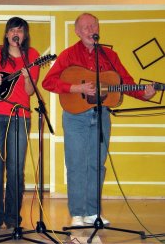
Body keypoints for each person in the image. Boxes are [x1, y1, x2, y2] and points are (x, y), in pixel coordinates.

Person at [42, 13, 156, 227]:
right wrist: (76, 88)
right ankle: (77, 213)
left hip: (101, 114)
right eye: (85, 27)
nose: (90, 29)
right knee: (76, 164)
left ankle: (93, 212)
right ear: (77, 31)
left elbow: (125, 82)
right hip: (75, 116)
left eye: (93, 25)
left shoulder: (109, 55)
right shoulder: (68, 55)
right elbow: (48, 82)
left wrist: (144, 93)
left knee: (97, 164)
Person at [0, 17, 40, 230]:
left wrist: (28, 77)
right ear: (6, 34)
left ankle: (13, 219)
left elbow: (30, 91)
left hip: (20, 115)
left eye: (20, 31)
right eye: (12, 30)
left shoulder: (33, 56)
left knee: (15, 169)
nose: (16, 34)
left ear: (25, 35)